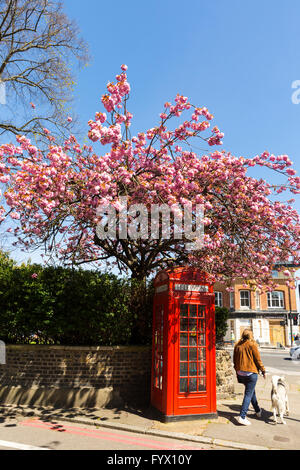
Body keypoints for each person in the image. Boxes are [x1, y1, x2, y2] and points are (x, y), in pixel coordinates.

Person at [233, 329, 266, 426]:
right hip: (250, 373)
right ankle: (242, 417)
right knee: (248, 394)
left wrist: (237, 371)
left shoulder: (237, 345)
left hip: (240, 373)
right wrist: (263, 371)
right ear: (251, 335)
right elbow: (258, 360)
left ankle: (257, 411)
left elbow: (235, 361)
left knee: (251, 392)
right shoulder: (252, 345)